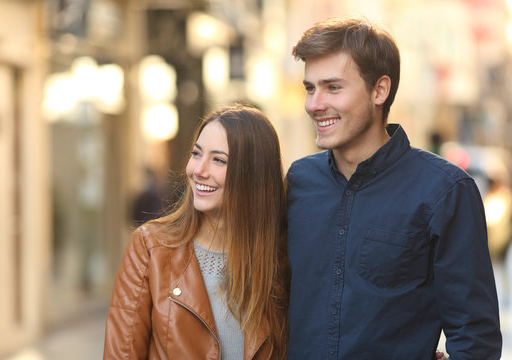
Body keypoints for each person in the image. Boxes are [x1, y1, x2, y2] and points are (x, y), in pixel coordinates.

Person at [285, 17, 502, 359]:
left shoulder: (444, 191)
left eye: (333, 87)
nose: (314, 104)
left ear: (379, 91)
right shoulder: (298, 182)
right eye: (310, 88)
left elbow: (474, 334)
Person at [103, 104, 289, 359]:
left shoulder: (280, 258)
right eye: (196, 154)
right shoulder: (151, 247)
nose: (198, 170)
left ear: (253, 175)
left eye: (219, 160)